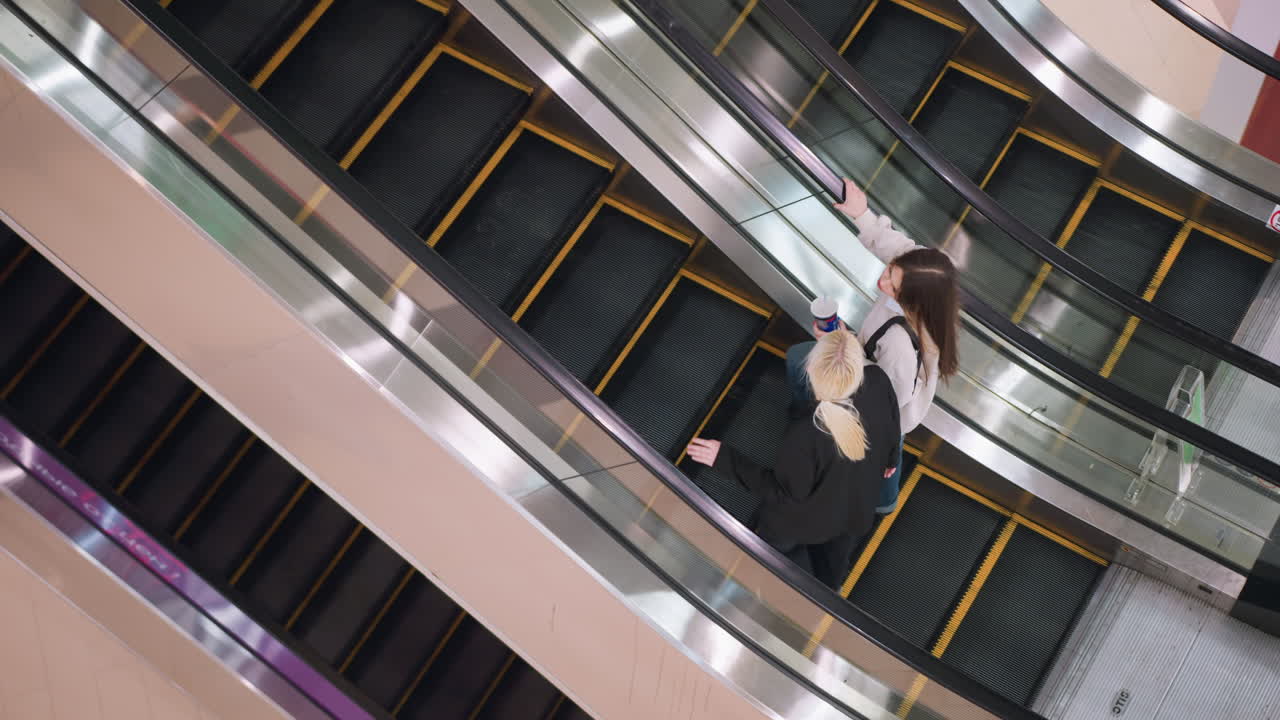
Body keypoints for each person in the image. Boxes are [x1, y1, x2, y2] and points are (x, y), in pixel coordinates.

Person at [686, 329, 900, 590]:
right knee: (831, 573)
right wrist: (890, 460)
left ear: (810, 370)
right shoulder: (879, 381)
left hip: (801, 525)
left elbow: (786, 494)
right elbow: (892, 429)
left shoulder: (807, 434)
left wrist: (726, 459)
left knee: (767, 559)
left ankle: (743, 587)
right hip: (855, 513)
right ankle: (826, 600)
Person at [799, 178, 961, 514]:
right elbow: (899, 250)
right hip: (868, 368)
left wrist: (841, 347)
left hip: (883, 414)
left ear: (911, 301)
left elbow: (884, 398)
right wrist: (862, 215)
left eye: (892, 284)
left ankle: (883, 500)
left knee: (882, 455)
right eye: (889, 271)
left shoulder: (903, 347)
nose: (881, 281)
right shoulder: (922, 278)